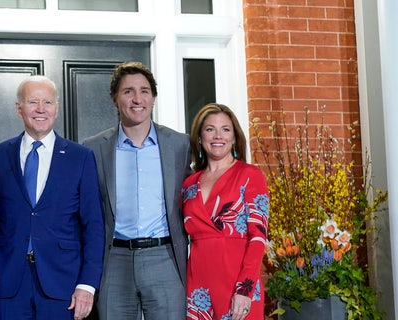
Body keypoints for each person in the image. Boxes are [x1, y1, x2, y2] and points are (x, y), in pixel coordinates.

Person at [0, 75, 105, 320]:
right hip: (9, 284)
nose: (41, 109)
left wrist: (87, 284)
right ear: (19, 109)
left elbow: (93, 225)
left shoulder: (80, 157)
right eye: (32, 102)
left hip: (63, 285)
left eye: (47, 102)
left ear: (57, 108)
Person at [82, 61, 191, 320]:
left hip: (164, 256)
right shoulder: (93, 148)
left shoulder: (179, 144)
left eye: (144, 91)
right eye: (128, 91)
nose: (137, 99)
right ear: (114, 99)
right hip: (114, 259)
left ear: (153, 98)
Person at [181, 103, 269, 320]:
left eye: (225, 129)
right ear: (200, 137)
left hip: (237, 283)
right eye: (210, 129)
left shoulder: (250, 175)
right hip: (198, 285)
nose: (217, 136)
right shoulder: (189, 185)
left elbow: (258, 237)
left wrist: (245, 288)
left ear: (234, 137)